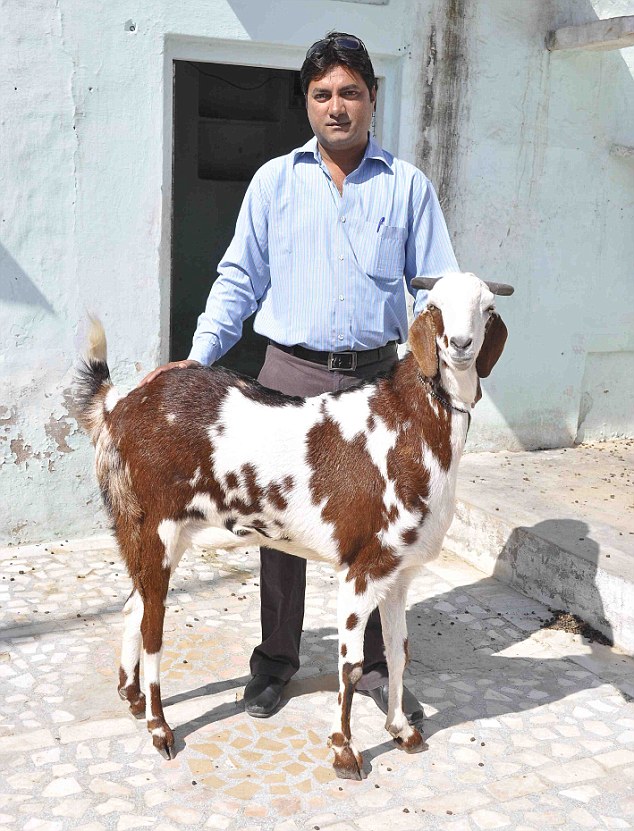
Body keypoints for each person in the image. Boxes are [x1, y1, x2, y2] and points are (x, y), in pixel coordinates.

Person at [142, 32, 458, 720]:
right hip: (287, 376)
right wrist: (197, 359)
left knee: (385, 523)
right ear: (306, 104)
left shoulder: (408, 188)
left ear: (374, 98)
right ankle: (277, 661)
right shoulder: (274, 183)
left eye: (350, 92)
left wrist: (439, 380)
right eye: (322, 94)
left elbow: (434, 291)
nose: (336, 107)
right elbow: (237, 280)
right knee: (277, 525)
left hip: (380, 384)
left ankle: (376, 663)